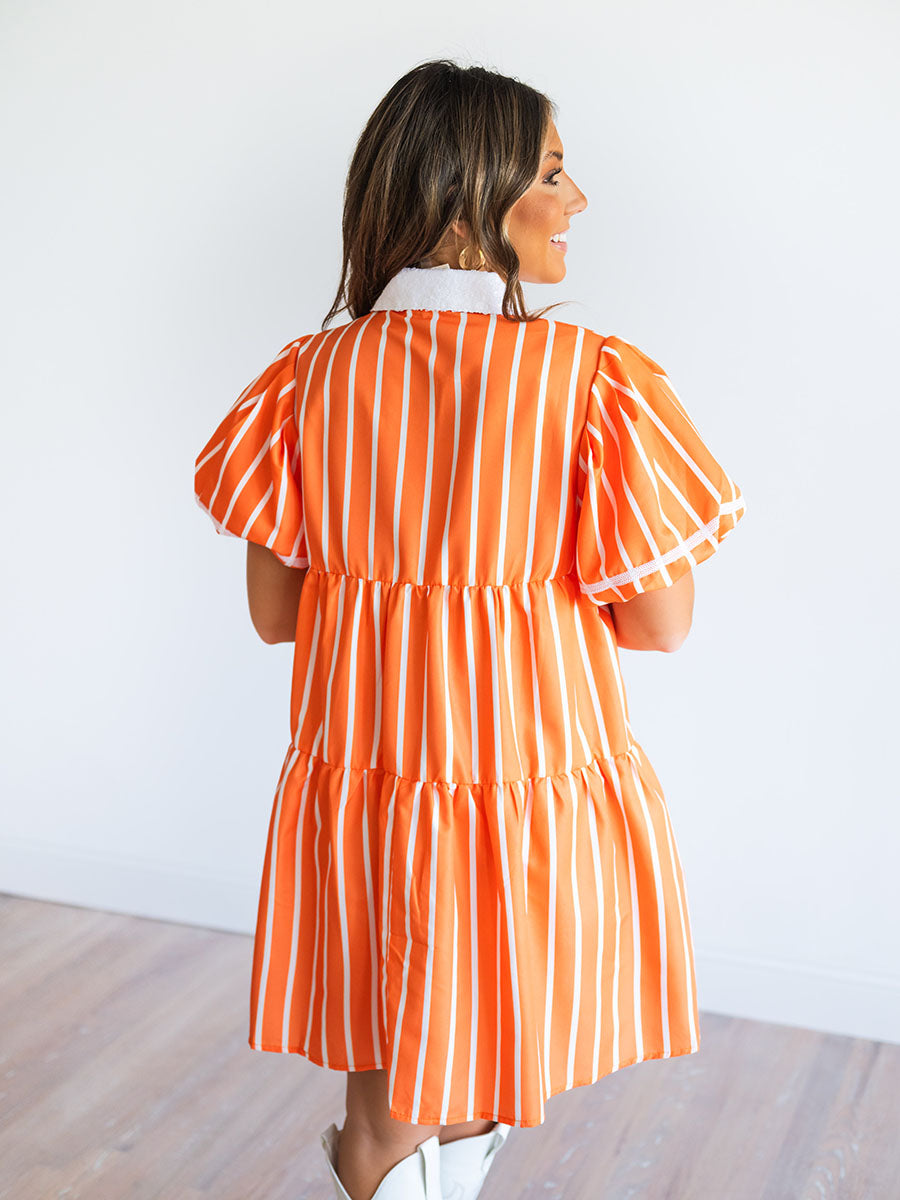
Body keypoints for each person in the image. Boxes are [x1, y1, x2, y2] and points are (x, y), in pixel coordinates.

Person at [193, 59, 746, 1200]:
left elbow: (272, 613)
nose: (578, 199)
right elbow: (661, 620)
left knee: (390, 1059)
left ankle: (391, 1166)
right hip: (521, 775)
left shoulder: (302, 382)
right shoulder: (588, 379)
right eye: (551, 172)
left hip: (370, 776)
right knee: (465, 1063)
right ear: (465, 201)